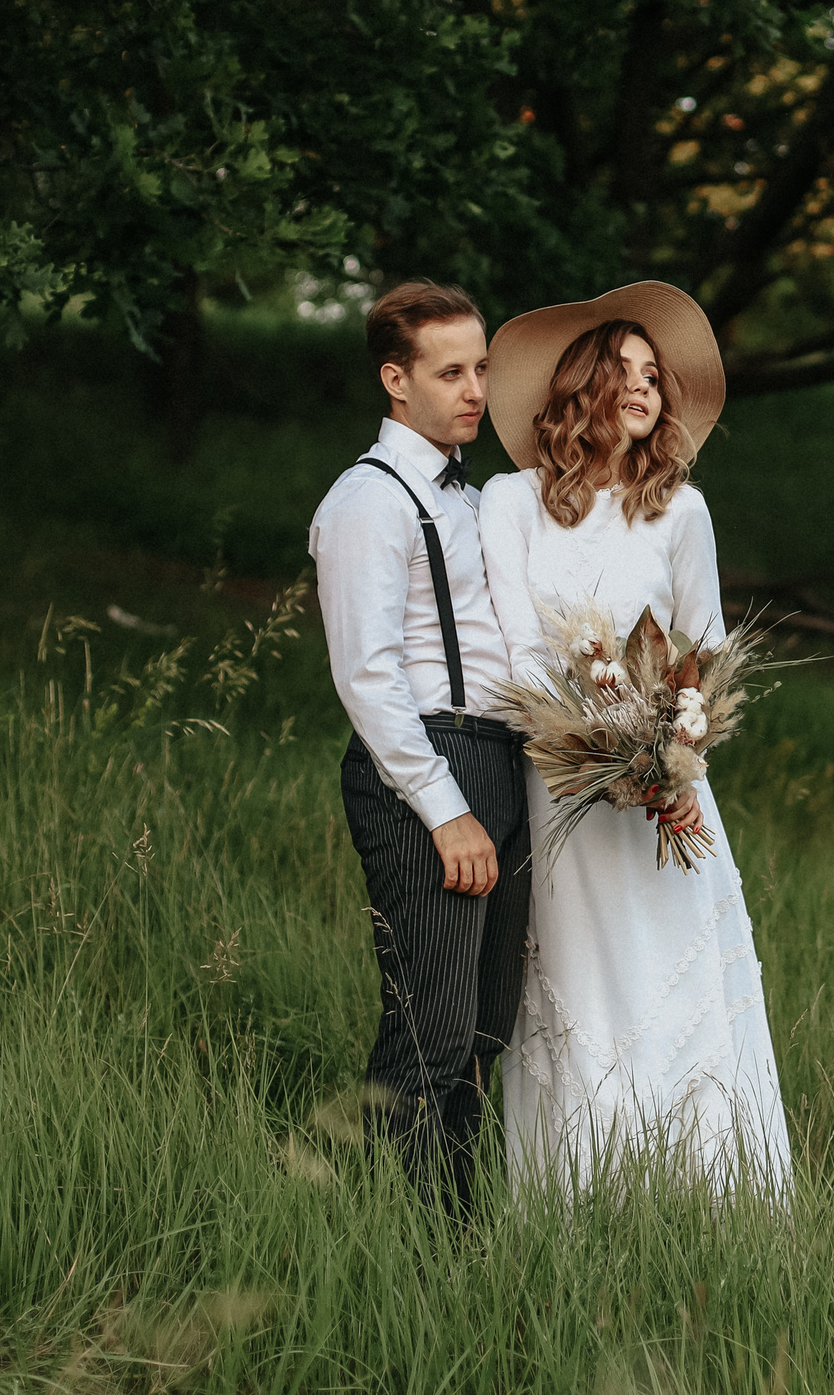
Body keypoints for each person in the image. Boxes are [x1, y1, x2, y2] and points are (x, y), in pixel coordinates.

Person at [477, 280, 793, 1197]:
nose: (647, 387)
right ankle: (579, 1192)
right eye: (626, 369)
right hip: (562, 786)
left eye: (655, 376)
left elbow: (706, 650)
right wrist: (598, 749)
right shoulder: (510, 501)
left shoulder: (680, 511)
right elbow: (516, 651)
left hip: (669, 792)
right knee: (587, 981)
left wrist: (672, 759)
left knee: (675, 975)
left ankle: (703, 1191)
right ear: (582, 383)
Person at [308, 280, 532, 1219]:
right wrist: (446, 810)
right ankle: (394, 1243)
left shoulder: (473, 497)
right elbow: (368, 677)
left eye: (482, 368)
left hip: (502, 761)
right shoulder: (370, 500)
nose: (475, 390)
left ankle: (457, 1233)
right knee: (429, 1031)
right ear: (396, 380)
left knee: (483, 1035)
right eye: (450, 373)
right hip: (427, 769)